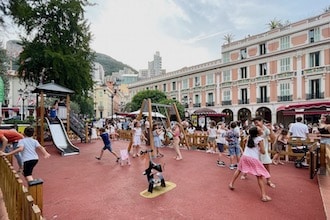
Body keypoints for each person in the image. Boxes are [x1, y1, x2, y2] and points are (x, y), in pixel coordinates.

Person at [228, 126, 272, 202]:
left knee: (239, 170)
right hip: (253, 158)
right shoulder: (260, 139)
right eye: (260, 129)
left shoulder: (249, 137)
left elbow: (246, 142)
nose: (261, 130)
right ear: (257, 133)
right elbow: (263, 151)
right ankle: (264, 196)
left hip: (245, 156)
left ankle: (231, 183)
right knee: (259, 176)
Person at [252, 116, 276, 188]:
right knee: (252, 165)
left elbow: (273, 139)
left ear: (261, 121)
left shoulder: (265, 129)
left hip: (263, 151)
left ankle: (268, 180)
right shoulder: (254, 129)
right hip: (255, 151)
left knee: (266, 166)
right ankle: (245, 174)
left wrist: (271, 130)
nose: (256, 124)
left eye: (257, 122)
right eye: (255, 123)